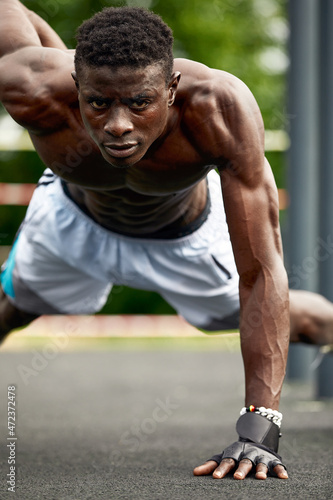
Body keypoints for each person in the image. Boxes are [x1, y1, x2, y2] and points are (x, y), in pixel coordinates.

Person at [0, 0, 332, 481]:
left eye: (139, 102)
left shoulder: (218, 109)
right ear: (76, 85)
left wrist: (260, 427)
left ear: (172, 88)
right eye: (98, 102)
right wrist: (66, 55)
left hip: (186, 239)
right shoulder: (29, 85)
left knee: (295, 316)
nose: (118, 125)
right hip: (72, 218)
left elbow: (261, 272)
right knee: (12, 304)